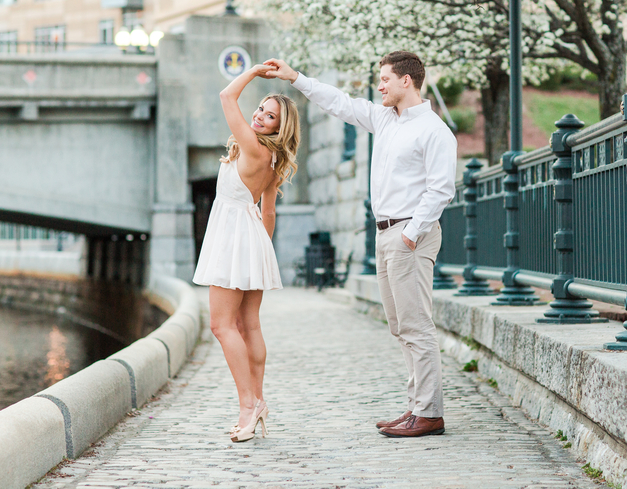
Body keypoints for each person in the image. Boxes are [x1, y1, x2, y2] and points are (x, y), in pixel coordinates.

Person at [264, 51, 457, 438]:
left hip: (409, 236)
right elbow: (340, 103)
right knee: (400, 326)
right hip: (386, 233)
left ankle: (430, 413)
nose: (380, 85)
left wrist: (409, 234)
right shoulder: (385, 118)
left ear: (408, 81)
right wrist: (296, 78)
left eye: (385, 78)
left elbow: (441, 190)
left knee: (416, 324)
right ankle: (416, 407)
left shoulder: (434, 131)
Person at [193, 64, 300, 443]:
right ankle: (256, 400)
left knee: (222, 326)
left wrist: (254, 71)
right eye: (260, 110)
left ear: (278, 128)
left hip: (233, 237)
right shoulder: (272, 160)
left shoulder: (253, 146)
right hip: (252, 237)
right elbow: (267, 213)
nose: (258, 116)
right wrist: (260, 254)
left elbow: (226, 96)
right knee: (247, 325)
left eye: (269, 116)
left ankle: (248, 405)